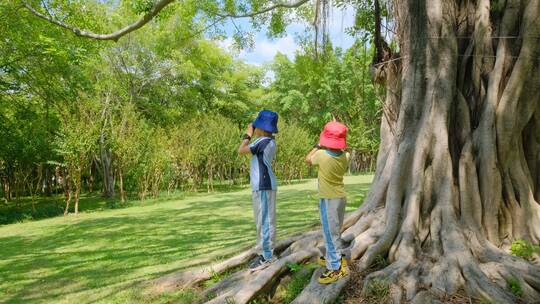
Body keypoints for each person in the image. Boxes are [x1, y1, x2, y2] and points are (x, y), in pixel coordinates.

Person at [305, 121, 350, 284]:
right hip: (340, 198)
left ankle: (335, 267)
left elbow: (307, 159)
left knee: (330, 233)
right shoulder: (346, 156)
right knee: (335, 230)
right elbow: (340, 151)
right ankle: (335, 257)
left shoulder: (321, 156)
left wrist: (318, 145)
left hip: (328, 199)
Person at [238, 110, 279, 270]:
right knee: (261, 221)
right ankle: (263, 252)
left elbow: (241, 150)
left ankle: (268, 256)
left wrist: (247, 135)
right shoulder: (266, 141)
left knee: (266, 221)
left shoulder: (263, 141)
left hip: (264, 185)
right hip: (260, 186)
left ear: (261, 127)